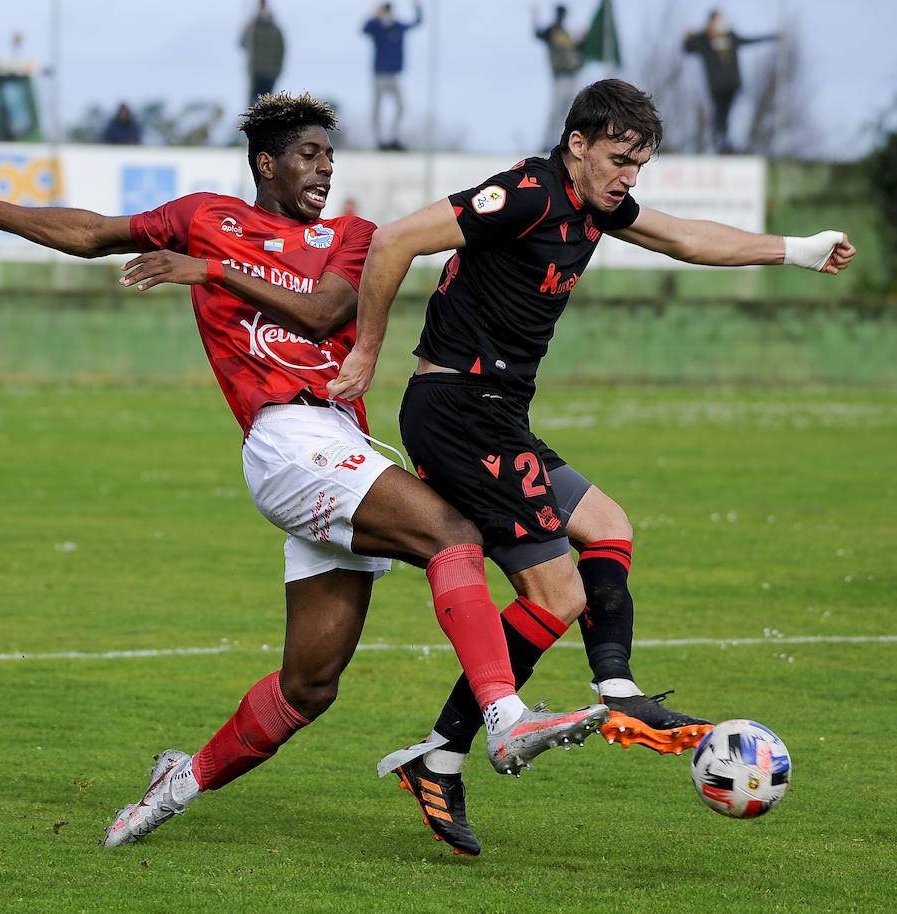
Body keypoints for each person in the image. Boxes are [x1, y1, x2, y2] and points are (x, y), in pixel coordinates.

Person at [0, 92, 607, 849]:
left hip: (342, 447)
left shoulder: (351, 235)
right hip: (286, 440)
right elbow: (92, 233)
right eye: (308, 154)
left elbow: (325, 313)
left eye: (328, 155)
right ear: (267, 163)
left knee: (310, 686)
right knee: (450, 532)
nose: (324, 167)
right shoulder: (204, 216)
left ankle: (176, 783)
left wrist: (210, 272)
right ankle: (505, 719)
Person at [328, 78, 854, 855]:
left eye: (638, 164)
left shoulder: (593, 206)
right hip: (458, 410)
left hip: (499, 414)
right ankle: (576, 708)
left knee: (607, 528)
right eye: (617, 159)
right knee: (556, 590)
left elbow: (686, 238)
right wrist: (367, 351)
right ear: (577, 144)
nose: (628, 178)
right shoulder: (526, 194)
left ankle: (462, 748)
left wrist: (797, 251)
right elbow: (396, 240)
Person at [681, 10, 778, 154]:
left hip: (732, 83)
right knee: (720, 112)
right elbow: (688, 49)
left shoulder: (730, 36)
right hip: (716, 85)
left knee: (726, 112)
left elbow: (748, 40)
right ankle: (720, 140)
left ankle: (724, 139)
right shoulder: (704, 38)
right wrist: (687, 38)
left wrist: (772, 37)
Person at [362, 2, 422, 151]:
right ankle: (379, 141)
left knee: (401, 107)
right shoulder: (377, 27)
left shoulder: (398, 27)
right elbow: (364, 29)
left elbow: (418, 22)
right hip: (379, 75)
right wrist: (374, 15)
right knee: (377, 108)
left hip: (394, 75)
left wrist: (417, 6)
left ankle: (394, 138)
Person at [533, 5, 584, 150]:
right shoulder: (552, 31)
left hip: (572, 75)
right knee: (556, 111)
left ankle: (559, 143)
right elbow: (538, 33)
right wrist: (535, 17)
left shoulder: (567, 34)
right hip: (560, 76)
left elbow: (577, 49)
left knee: (567, 111)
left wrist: (583, 39)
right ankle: (547, 143)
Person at [241, 1, 286, 108]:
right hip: (255, 71)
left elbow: (281, 50)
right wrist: (244, 31)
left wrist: (278, 70)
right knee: (252, 104)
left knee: (267, 105)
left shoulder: (276, 30)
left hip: (270, 73)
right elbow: (242, 44)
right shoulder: (253, 27)